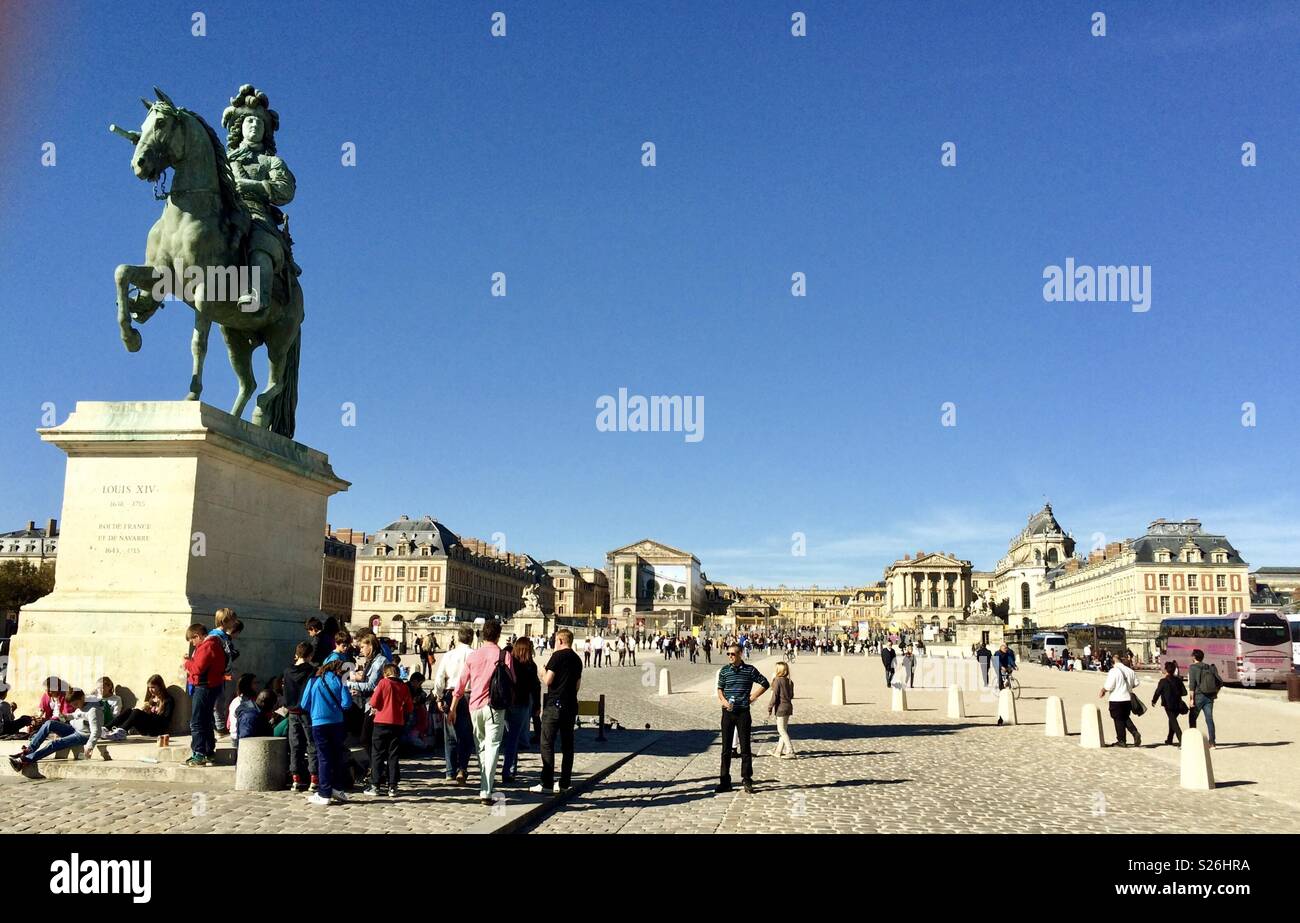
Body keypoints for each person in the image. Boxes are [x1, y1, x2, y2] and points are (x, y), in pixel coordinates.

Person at [450, 620, 515, 806]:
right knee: (493, 745)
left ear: (482, 635)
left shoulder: (473, 655)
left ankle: (486, 784)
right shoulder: (504, 655)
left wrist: (453, 708)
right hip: (495, 706)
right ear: (498, 635)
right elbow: (513, 681)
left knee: (481, 747)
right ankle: (486, 789)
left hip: (474, 706)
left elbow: (460, 684)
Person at [531, 627, 582, 794]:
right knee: (568, 745)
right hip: (570, 705)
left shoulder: (557, 656)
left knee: (547, 743)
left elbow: (548, 680)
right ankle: (564, 783)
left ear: (560, 640)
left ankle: (546, 783)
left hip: (554, 705)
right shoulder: (577, 659)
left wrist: (542, 672)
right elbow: (577, 686)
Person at [716, 644, 769, 793]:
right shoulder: (724, 671)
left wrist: (753, 697)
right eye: (728, 654)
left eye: (733, 654)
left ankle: (747, 779)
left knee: (745, 747)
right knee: (726, 749)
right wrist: (724, 701)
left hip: (743, 712)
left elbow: (765, 683)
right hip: (727, 712)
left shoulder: (749, 670)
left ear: (740, 654)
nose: (730, 656)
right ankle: (724, 780)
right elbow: (720, 689)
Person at [8, 688, 102, 772]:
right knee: (49, 724)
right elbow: (75, 715)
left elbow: (96, 731)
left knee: (54, 744)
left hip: (83, 736)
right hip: (74, 730)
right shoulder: (81, 706)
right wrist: (65, 717)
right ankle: (29, 750)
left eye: (76, 704)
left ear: (82, 698)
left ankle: (24, 761)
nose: (76, 706)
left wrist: (89, 746)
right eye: (73, 705)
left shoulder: (92, 711)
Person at [299, 660, 353, 806]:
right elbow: (347, 704)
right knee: (336, 756)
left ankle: (324, 793)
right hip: (337, 723)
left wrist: (316, 710)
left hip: (319, 723)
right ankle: (336, 788)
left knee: (324, 758)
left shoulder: (313, 681)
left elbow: (304, 704)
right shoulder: (340, 682)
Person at [433, 627, 475, 784]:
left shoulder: (449, 655)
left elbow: (439, 678)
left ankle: (450, 771)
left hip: (451, 694)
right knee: (466, 735)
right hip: (469, 694)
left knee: (450, 734)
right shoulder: (474, 655)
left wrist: (438, 697)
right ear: (472, 639)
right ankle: (462, 768)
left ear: (458, 638)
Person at [366, 663, 413, 798]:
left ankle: (375, 785)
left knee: (378, 754)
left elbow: (373, 702)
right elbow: (409, 707)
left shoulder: (383, 683)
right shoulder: (404, 686)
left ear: (385, 673)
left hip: (381, 721)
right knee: (393, 755)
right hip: (397, 723)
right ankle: (392, 786)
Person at [182, 622, 224, 767]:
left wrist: (187, 663)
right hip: (212, 686)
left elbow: (197, 669)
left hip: (204, 687)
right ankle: (208, 752)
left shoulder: (207, 646)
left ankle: (198, 754)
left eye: (192, 640)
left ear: (197, 636)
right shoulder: (215, 643)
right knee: (206, 720)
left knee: (197, 721)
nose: (193, 644)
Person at [501, 637, 541, 785]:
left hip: (506, 704)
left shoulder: (510, 663)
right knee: (514, 739)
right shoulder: (531, 666)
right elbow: (535, 688)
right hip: (521, 704)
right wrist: (537, 706)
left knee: (505, 737)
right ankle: (509, 770)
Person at [283, 641, 318, 792]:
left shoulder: (287, 671)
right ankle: (314, 779)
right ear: (310, 655)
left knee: (295, 745)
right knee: (312, 745)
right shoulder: (312, 671)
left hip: (292, 712)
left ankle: (295, 779)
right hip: (307, 712)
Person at [347, 634, 390, 751]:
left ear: (370, 646)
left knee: (366, 738)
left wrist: (349, 684)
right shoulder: (372, 661)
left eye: (362, 647)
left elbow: (370, 685)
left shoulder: (378, 662)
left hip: (374, 703)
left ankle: (376, 766)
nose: (360, 650)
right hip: (368, 701)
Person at [108, 674, 174, 739]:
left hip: (157, 730)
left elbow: (165, 721)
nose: (150, 690)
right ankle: (106, 728)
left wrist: (149, 714)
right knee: (129, 710)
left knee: (136, 712)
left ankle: (121, 732)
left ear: (160, 686)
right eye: (149, 687)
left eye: (153, 687)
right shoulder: (151, 699)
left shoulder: (168, 700)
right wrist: (145, 711)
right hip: (146, 729)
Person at [1099, 651, 1142, 747]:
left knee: (1118, 719)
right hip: (1127, 699)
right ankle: (1135, 732)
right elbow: (1137, 683)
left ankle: (1121, 740)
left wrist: (1103, 690)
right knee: (1125, 717)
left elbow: (1109, 686)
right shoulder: (1130, 671)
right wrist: (1128, 687)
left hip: (1116, 698)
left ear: (1113, 662)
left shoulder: (1113, 671)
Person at [1187, 649, 1222, 747]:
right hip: (1210, 696)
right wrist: (1215, 692)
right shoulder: (1209, 667)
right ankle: (1212, 742)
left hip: (1198, 696)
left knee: (1192, 717)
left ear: (1194, 657)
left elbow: (1192, 685)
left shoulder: (1193, 667)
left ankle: (1193, 740)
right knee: (1209, 719)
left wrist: (1191, 699)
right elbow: (1220, 682)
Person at [1151, 661, 1188, 747]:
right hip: (1178, 704)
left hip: (1168, 705)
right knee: (1172, 720)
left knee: (1174, 722)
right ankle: (1169, 739)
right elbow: (1184, 692)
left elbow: (1158, 692)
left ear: (1166, 670)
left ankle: (1182, 740)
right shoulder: (1178, 680)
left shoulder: (1163, 681)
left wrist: (1154, 701)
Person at [768, 661, 796, 758]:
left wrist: (770, 707)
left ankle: (790, 750)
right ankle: (778, 751)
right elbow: (792, 695)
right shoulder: (790, 681)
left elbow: (775, 696)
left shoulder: (777, 680)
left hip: (781, 708)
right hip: (788, 707)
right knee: (783, 730)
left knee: (781, 730)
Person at [226, 673, 258, 746]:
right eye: (255, 683)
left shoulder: (249, 700)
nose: (257, 685)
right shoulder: (240, 702)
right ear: (248, 685)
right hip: (239, 738)